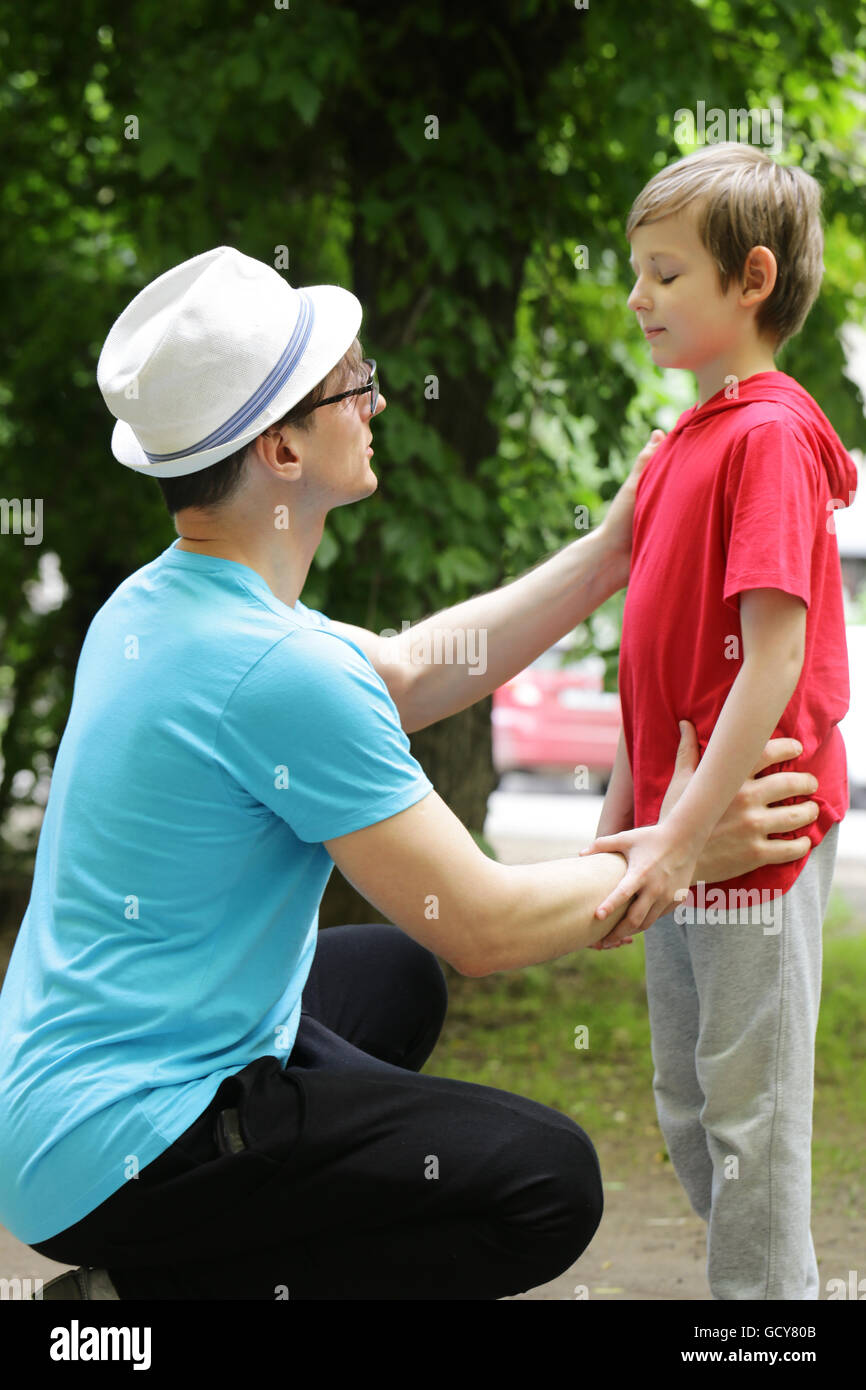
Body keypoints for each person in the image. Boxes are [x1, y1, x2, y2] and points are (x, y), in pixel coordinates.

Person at [0, 246, 821, 1301]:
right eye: (354, 384)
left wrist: (612, 549)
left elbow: (410, 668)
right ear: (281, 451)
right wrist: (681, 848)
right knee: (541, 1181)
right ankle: (144, 1297)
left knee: (390, 976)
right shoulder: (273, 670)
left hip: (51, 1100)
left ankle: (260, 1205)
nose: (377, 400)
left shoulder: (163, 602)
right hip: (118, 1144)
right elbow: (483, 926)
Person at [584, 143, 856, 1299]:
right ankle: (771, 1290)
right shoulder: (677, 445)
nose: (635, 298)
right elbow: (649, 665)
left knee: (748, 1119)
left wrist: (689, 832)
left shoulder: (769, 434)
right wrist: (622, 825)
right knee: (690, 1107)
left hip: (751, 828)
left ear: (749, 279)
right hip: (675, 831)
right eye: (634, 272)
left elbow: (775, 652)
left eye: (661, 274)